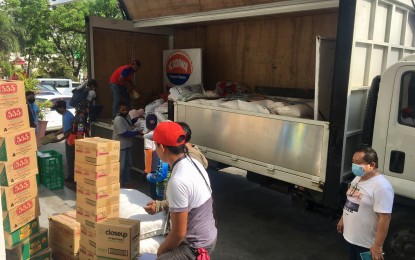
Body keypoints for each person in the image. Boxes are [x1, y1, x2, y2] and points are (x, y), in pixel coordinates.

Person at [143, 122, 217, 259]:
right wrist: (159, 205)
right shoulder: (192, 162)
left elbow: (178, 233)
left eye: (156, 144)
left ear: (163, 148)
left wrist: (160, 253)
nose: (155, 149)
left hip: (195, 246)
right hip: (208, 235)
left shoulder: (177, 181)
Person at [337, 147, 394, 260]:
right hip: (351, 238)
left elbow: (385, 218)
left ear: (371, 165)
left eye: (358, 163)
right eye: (353, 162)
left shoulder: (382, 187)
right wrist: (343, 218)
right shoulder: (358, 178)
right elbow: (351, 200)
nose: (354, 165)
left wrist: (377, 245)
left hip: (366, 245)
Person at [113, 102, 141, 188]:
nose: (125, 111)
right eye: (122, 110)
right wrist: (137, 132)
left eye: (126, 110)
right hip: (121, 146)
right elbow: (124, 133)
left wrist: (136, 119)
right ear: (119, 110)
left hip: (127, 145)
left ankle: (127, 182)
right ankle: (119, 183)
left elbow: (129, 123)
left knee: (128, 164)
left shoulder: (127, 116)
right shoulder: (118, 119)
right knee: (122, 166)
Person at [144, 114, 169, 200]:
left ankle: (155, 204)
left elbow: (148, 153)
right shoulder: (160, 133)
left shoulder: (148, 137)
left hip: (153, 167)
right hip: (161, 166)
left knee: (153, 190)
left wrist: (147, 169)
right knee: (161, 188)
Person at [51, 100, 75, 182]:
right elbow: (64, 128)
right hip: (70, 139)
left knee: (70, 158)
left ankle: (71, 176)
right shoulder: (66, 114)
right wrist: (55, 134)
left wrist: (60, 139)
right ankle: (71, 175)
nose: (57, 111)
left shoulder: (67, 117)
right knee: (70, 158)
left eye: (57, 109)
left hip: (70, 140)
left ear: (61, 108)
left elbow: (68, 132)